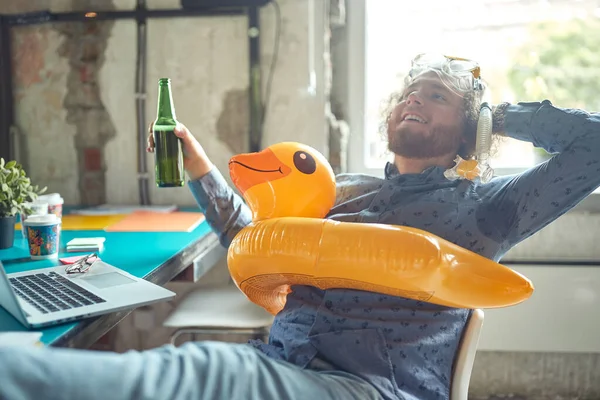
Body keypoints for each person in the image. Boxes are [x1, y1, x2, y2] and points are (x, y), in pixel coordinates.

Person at [1, 53, 600, 400]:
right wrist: (200, 167)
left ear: (469, 124)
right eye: (409, 93)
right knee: (196, 366)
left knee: (207, 373)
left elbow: (592, 145)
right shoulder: (347, 193)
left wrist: (496, 114)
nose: (414, 100)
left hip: (369, 387)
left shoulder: (488, 207)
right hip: (286, 363)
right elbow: (255, 244)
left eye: (438, 96)